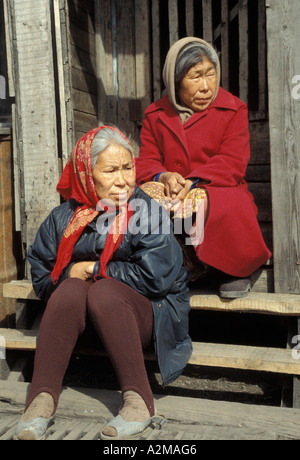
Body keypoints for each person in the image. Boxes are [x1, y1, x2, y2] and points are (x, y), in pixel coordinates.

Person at [14, 125, 192, 440]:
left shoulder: (147, 212)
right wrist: (73, 276)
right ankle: (41, 399)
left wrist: (94, 268)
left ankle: (138, 401)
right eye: (110, 170)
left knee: (104, 291)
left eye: (128, 168)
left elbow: (157, 277)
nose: (123, 179)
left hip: (147, 316)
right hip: (90, 324)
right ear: (86, 174)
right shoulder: (63, 218)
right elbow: (42, 272)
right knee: (70, 288)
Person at [136, 37, 271, 298]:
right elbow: (146, 160)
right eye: (195, 76)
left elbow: (232, 161)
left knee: (210, 201)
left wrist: (194, 181)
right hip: (173, 193)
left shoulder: (233, 109)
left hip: (218, 188)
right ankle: (181, 267)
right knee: (146, 195)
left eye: (210, 74)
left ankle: (233, 270)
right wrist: (164, 176)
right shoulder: (156, 114)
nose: (206, 86)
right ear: (176, 81)